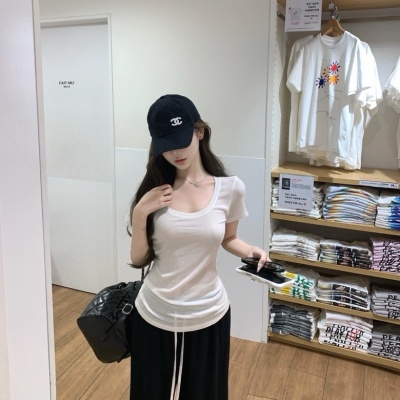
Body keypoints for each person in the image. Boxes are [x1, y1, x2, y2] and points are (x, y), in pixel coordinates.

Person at [128, 94, 269, 400]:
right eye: (167, 145)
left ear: (200, 132)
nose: (175, 152)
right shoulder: (155, 191)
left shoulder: (230, 189)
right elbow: (138, 258)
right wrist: (140, 214)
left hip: (209, 313)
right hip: (155, 312)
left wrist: (251, 251)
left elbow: (228, 238)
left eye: (181, 140)